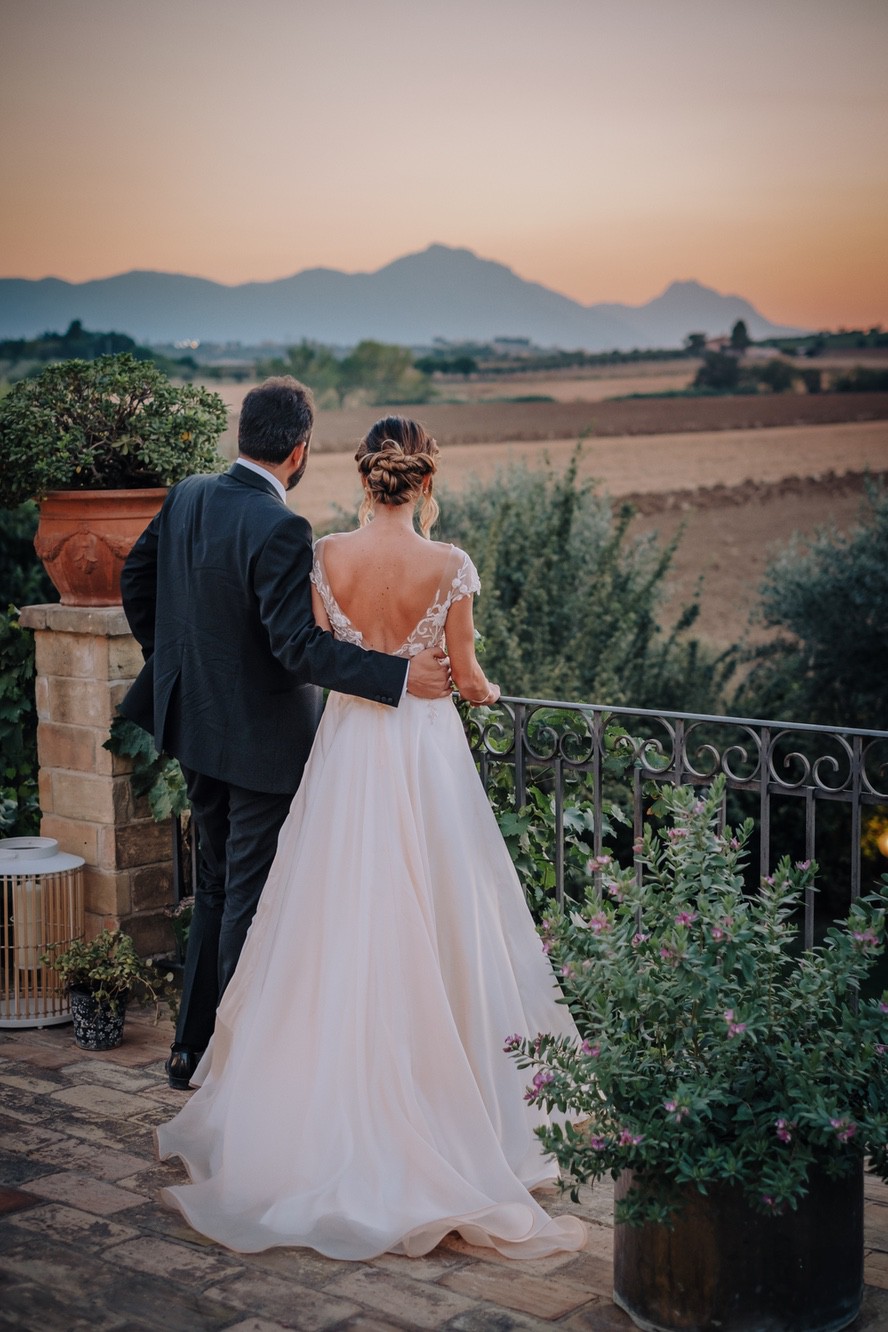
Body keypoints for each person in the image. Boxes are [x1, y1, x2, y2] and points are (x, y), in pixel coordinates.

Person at [155, 416, 587, 1260]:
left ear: (365, 479)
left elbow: (314, 650)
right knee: (439, 911)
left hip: (347, 750)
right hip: (424, 757)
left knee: (337, 915)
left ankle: (317, 1102)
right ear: (424, 483)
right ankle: (453, 1094)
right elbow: (465, 679)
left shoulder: (325, 556)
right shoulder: (450, 565)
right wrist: (489, 691)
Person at [119, 381, 450, 1090]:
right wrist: (398, 677)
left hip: (192, 726)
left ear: (246, 434)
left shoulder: (187, 495)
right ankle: (239, 1071)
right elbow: (298, 647)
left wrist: (175, 665)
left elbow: (135, 579)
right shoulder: (280, 528)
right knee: (248, 898)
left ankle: (189, 1050)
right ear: (298, 450)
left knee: (213, 888)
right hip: (262, 746)